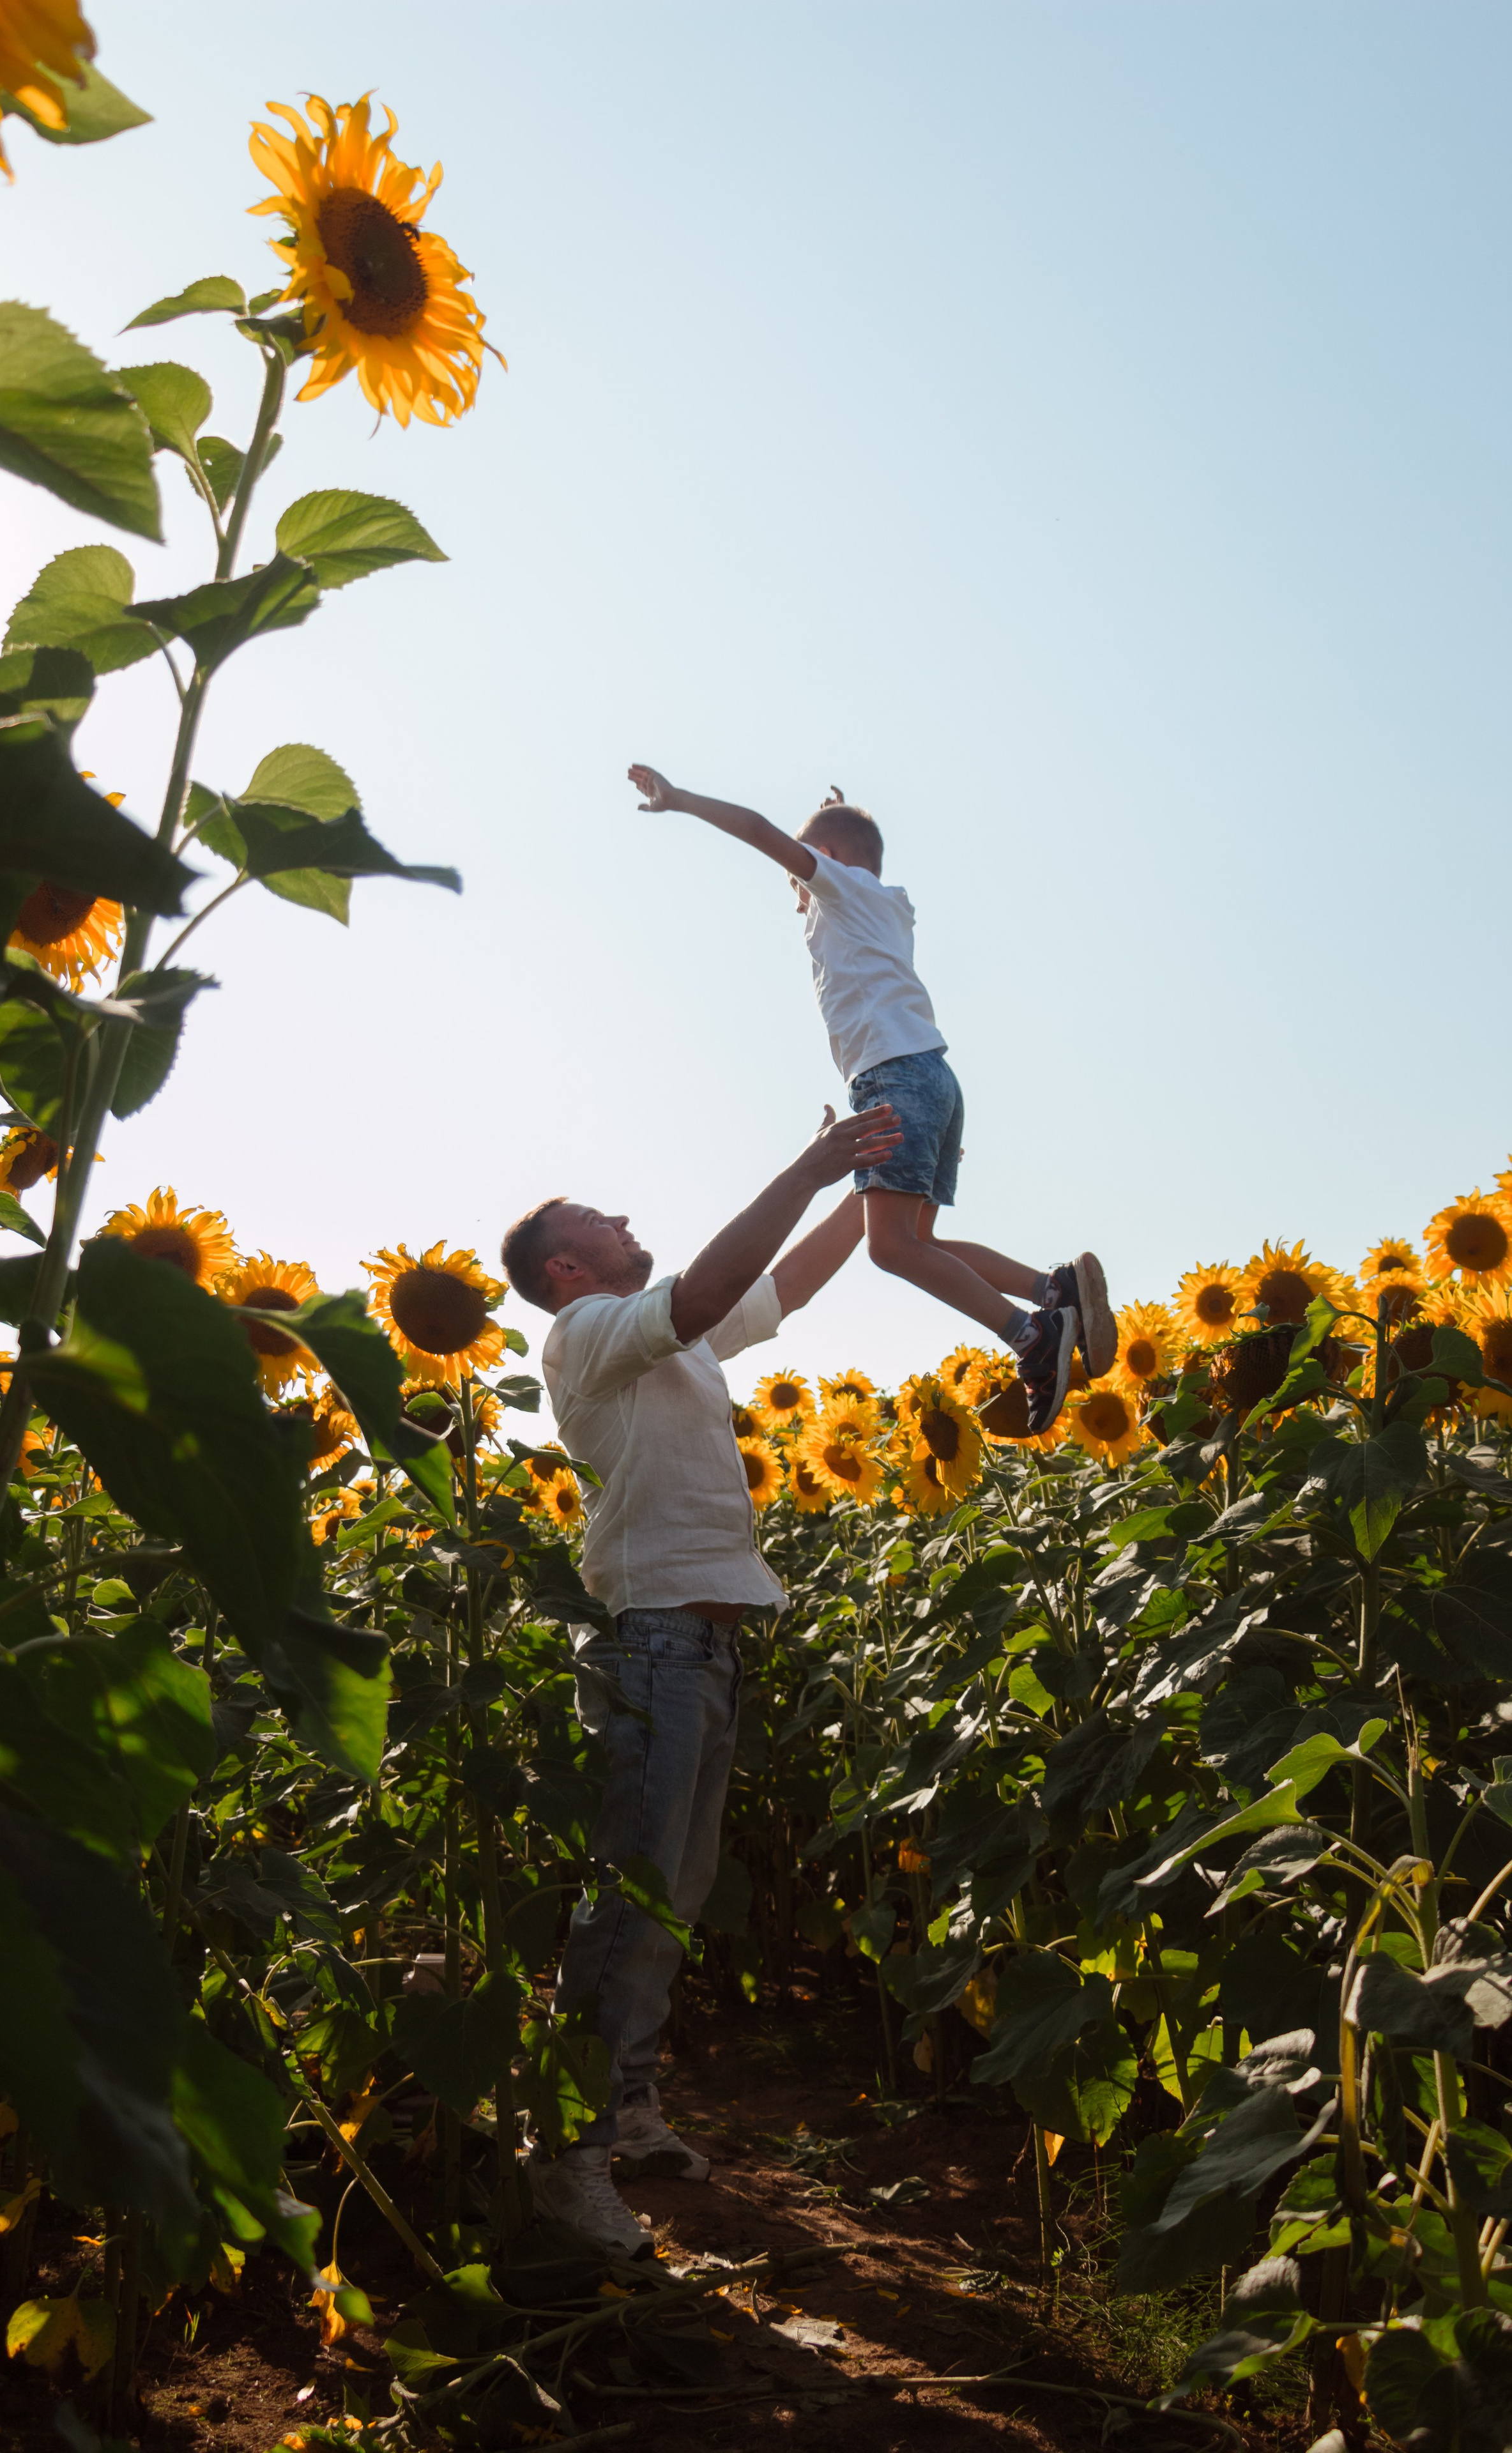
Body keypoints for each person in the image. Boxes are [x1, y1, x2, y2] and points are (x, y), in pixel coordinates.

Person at [499, 1101, 900, 2255]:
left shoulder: (661, 1346)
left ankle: (624, 2111)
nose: (627, 1217)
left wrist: (867, 1189)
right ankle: (565, 2159)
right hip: (650, 1647)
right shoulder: (588, 1334)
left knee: (666, 1901)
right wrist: (811, 1158)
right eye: (601, 1218)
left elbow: (783, 1289)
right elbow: (710, 1291)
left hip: (704, 1650)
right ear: (568, 1265)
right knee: (624, 1906)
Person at [625, 766, 1117, 1430]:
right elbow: (825, 859)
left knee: (888, 1249)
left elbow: (761, 833)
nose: (794, 886)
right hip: (932, 1076)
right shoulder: (884, 904)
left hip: (892, 1077)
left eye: (800, 871)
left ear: (823, 860)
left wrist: (681, 801)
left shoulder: (842, 890)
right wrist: (831, 825)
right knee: (918, 1241)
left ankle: (1033, 1336)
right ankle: (1052, 1290)